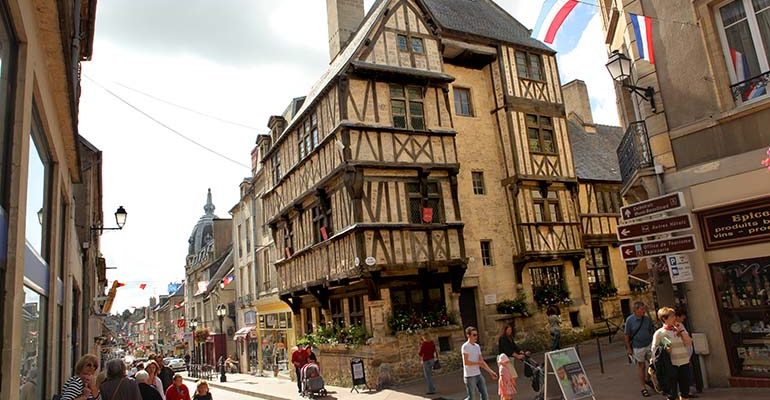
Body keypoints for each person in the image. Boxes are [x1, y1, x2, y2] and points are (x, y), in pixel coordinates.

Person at [652, 307, 692, 400]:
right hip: (670, 365)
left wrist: (681, 331)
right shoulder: (659, 333)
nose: (675, 318)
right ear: (664, 319)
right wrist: (665, 346)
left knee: (685, 393)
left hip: (684, 362)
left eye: (674, 315)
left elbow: (689, 343)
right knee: (672, 394)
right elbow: (654, 350)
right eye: (672, 316)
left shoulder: (679, 328)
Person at [624, 301, 654, 397]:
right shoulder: (630, 320)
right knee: (641, 366)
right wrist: (628, 348)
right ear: (636, 310)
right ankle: (643, 387)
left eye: (644, 309)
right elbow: (626, 335)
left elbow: (651, 330)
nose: (644, 311)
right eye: (642, 309)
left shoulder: (647, 319)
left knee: (653, 364)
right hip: (637, 347)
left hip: (648, 344)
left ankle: (648, 379)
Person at [461, 326, 497, 400]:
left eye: (476, 335)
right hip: (469, 376)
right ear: (468, 335)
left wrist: (491, 372)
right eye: (474, 335)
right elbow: (466, 362)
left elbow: (482, 361)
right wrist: (478, 363)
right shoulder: (465, 347)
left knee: (485, 395)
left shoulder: (477, 346)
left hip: (478, 375)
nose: (476, 337)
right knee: (471, 398)